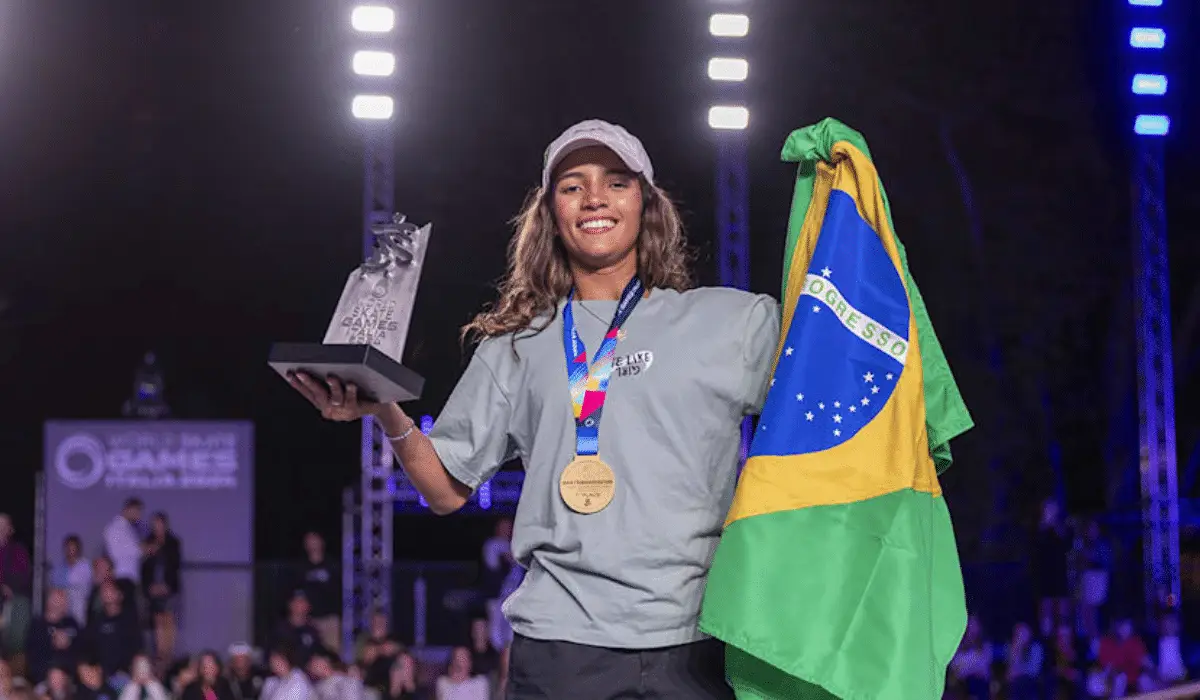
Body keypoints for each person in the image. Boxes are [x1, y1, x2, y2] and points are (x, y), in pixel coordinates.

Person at [288, 119, 778, 699]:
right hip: (561, 650)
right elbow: (445, 489)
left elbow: (835, 412)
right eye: (572, 186)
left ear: (646, 203)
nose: (594, 197)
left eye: (616, 181)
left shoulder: (734, 323)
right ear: (550, 213)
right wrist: (385, 410)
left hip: (701, 644)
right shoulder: (515, 347)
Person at [140, 512, 181, 671]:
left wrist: (167, 586)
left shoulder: (173, 542)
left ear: (165, 525)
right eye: (154, 524)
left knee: (168, 619)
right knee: (157, 620)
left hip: (169, 588)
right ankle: (160, 653)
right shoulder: (147, 543)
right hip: (153, 588)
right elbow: (144, 568)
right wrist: (150, 587)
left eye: (159, 524)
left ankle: (168, 654)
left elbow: (175, 564)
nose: (156, 527)